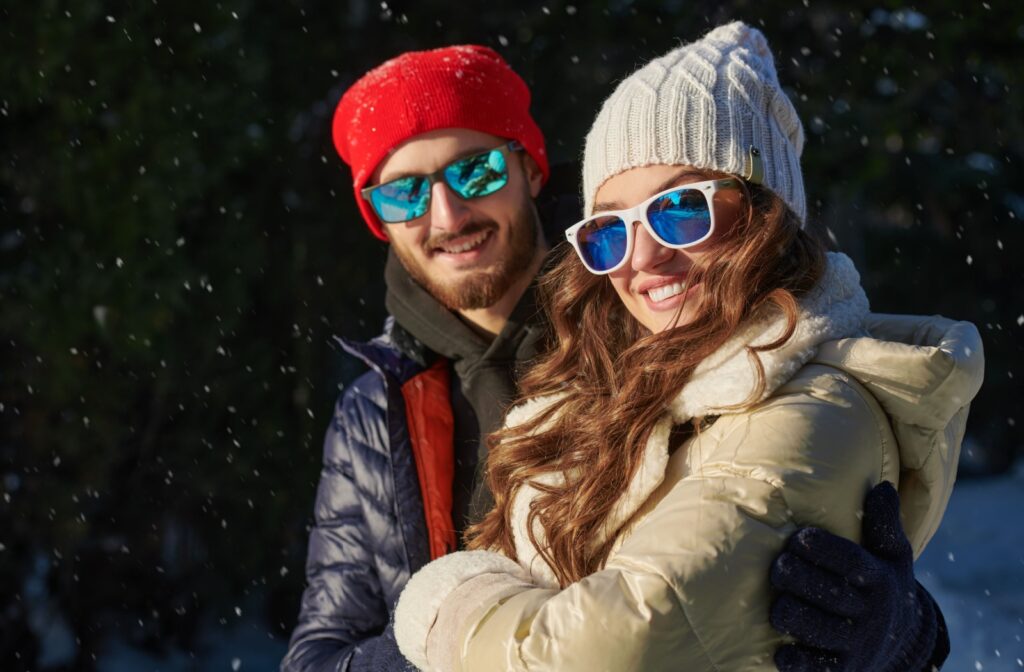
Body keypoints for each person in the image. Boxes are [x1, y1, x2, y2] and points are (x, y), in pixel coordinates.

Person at [283, 42, 961, 672]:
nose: (448, 215)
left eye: (476, 170)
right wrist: (454, 633)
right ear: (377, 217)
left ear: (528, 167)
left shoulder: (660, 329)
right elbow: (319, 656)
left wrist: (904, 636)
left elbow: (742, 556)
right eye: (402, 192)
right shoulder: (376, 407)